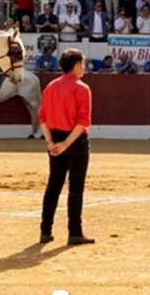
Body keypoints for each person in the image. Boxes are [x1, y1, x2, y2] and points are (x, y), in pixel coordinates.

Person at [39, 48, 94, 245]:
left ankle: (45, 231)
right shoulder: (82, 88)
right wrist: (66, 144)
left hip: (54, 139)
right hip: (75, 141)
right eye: (83, 64)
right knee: (76, 188)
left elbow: (43, 118)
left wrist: (51, 143)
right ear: (77, 65)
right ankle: (75, 233)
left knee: (53, 184)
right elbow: (82, 123)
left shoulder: (51, 87)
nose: (84, 68)